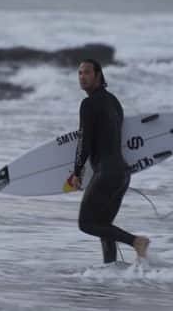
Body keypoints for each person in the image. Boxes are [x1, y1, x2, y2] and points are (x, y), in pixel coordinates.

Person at [68, 59, 150, 263]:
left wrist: (77, 172)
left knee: (86, 224)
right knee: (104, 227)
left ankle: (136, 241)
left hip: (107, 173)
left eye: (87, 73)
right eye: (79, 73)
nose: (82, 77)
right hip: (123, 173)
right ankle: (110, 273)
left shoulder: (88, 104)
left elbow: (84, 141)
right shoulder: (114, 101)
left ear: (98, 76)